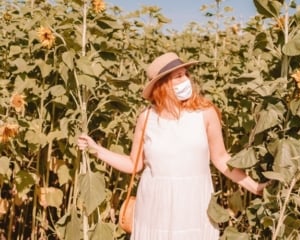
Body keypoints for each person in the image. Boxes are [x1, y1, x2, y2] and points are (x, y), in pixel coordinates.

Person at [77, 52, 268, 240]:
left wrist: (256, 187)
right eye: (178, 76)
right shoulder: (147, 118)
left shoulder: (205, 113)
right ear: (162, 85)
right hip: (155, 205)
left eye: (186, 74)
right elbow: (133, 164)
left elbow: (221, 158)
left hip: (194, 203)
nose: (186, 80)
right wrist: (96, 149)